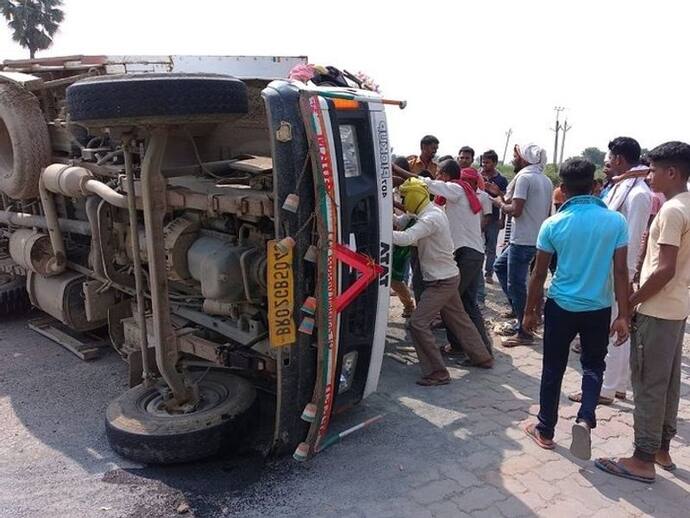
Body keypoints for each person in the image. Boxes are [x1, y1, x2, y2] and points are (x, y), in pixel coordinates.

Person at [520, 158, 629, 460]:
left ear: (562, 189)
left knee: (553, 367)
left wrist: (531, 311)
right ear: (595, 186)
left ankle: (545, 430)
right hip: (599, 306)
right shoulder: (615, 221)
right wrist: (624, 315)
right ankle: (585, 417)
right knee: (594, 365)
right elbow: (620, 271)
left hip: (561, 306)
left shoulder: (553, 223)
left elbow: (538, 273)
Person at [595, 141, 690, 483]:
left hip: (657, 309)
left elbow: (663, 269)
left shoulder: (670, 211)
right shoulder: (685, 204)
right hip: (677, 308)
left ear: (672, 172)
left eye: (653, 170)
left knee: (648, 383)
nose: (648, 176)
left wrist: (630, 303)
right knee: (666, 384)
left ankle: (642, 458)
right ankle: (661, 448)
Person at [569, 137, 652, 404]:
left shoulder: (638, 194)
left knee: (615, 325)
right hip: (607, 269)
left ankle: (606, 388)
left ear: (618, 158)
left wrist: (626, 279)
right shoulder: (622, 186)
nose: (607, 162)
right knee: (616, 325)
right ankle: (615, 385)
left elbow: (634, 236)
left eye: (609, 157)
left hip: (618, 272)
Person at [392, 178, 493, 385]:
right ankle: (482, 357)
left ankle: (438, 372)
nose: (402, 200)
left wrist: (381, 232)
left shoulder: (430, 218)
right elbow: (404, 221)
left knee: (418, 323)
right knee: (459, 319)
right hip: (447, 276)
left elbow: (406, 237)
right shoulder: (430, 211)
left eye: (404, 196)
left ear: (414, 195)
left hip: (441, 282)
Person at [491, 143, 553, 347]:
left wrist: (499, 203)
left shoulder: (525, 178)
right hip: (536, 239)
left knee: (516, 285)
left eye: (515, 156)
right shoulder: (545, 179)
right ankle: (529, 314)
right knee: (500, 267)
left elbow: (516, 210)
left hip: (523, 240)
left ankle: (524, 330)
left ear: (524, 158)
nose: (513, 159)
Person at [390, 157, 416, 318]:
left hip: (405, 235)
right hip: (393, 230)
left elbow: (411, 213)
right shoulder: (390, 190)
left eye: (396, 173)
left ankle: (409, 305)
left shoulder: (412, 190)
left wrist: (391, 203)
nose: (393, 177)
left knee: (395, 276)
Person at [480, 150, 509, 284]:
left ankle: (489, 273)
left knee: (491, 246)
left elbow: (506, 199)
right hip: (478, 217)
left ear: (495, 163)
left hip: (494, 218)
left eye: (487, 162)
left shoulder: (501, 180)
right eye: (483, 162)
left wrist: (502, 219)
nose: (484, 165)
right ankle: (477, 272)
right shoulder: (477, 176)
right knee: (477, 245)